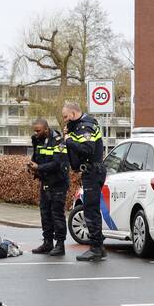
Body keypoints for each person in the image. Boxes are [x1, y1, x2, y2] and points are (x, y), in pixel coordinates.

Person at [62, 101, 106, 262]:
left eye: (66, 117)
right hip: (92, 171)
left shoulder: (85, 126)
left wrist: (68, 140)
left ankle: (95, 248)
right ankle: (99, 247)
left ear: (73, 114)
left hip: (93, 171)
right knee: (91, 209)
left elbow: (87, 148)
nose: (65, 120)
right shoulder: (81, 125)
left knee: (90, 210)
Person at [28, 118, 69, 256]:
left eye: (38, 130)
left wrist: (39, 167)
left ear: (46, 129)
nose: (36, 133)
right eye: (34, 130)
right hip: (45, 181)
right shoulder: (37, 139)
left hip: (58, 183)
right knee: (45, 213)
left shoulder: (58, 141)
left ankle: (60, 245)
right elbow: (37, 156)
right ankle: (47, 242)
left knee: (57, 214)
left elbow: (57, 163)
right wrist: (32, 166)